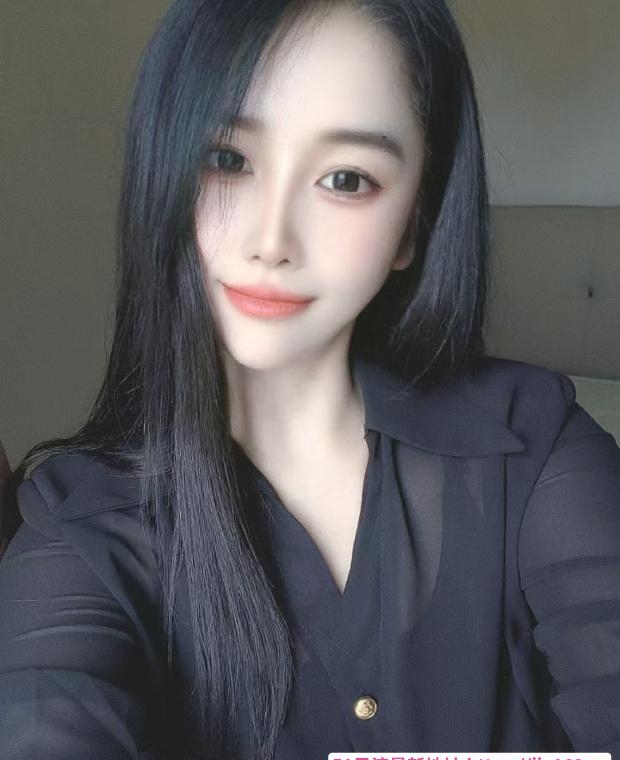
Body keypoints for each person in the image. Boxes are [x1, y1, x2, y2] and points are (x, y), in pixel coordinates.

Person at [1, 1, 619, 758]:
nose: (272, 241)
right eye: (227, 160)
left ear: (413, 223)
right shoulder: (82, 525)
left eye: (346, 179)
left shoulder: (536, 445)